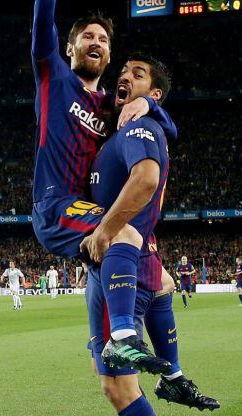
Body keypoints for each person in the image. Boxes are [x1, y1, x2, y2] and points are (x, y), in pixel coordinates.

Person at [82, 56, 219, 413]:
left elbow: (145, 179)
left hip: (117, 257)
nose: (124, 77)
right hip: (138, 257)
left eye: (137, 75)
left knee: (118, 387)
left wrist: (105, 231)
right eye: (124, 72)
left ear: (155, 92)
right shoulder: (131, 126)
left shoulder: (136, 127)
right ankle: (172, 374)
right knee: (163, 285)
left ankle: (148, 353)